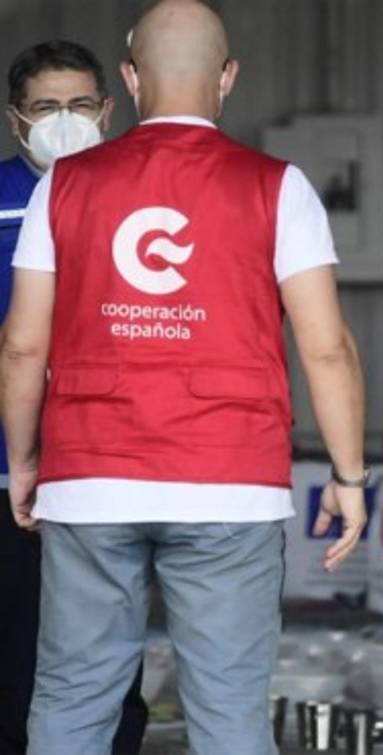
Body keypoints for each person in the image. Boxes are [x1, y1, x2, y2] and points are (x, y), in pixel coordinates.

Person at [2, 2, 368, 753]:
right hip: (230, 477)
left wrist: (25, 460)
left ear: (130, 80)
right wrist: (349, 474)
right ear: (228, 77)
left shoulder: (61, 185)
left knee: (72, 699)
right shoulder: (279, 185)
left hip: (91, 474)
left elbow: (20, 346)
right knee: (228, 711)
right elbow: (326, 346)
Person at [0, 39, 149, 755]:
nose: (67, 119)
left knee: (107, 656)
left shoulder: (141, 201)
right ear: (15, 119)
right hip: (5, 473)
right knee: (12, 656)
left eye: (81, 105)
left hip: (105, 474)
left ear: (108, 110)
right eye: (46, 107)